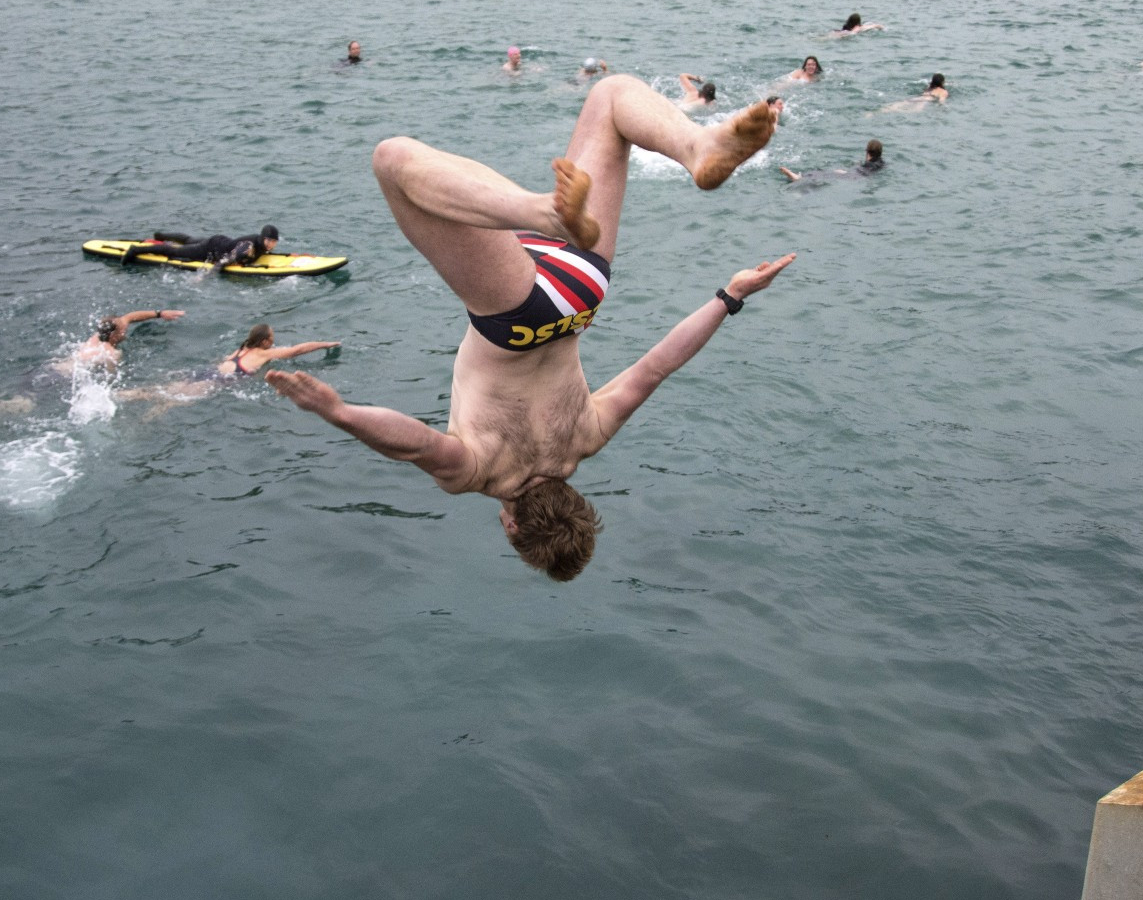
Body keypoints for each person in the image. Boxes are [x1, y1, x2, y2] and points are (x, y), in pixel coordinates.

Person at [265, 75, 791, 581]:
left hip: (581, 290)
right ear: (512, 525)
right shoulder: (478, 472)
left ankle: (695, 146)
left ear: (576, 503)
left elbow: (656, 368)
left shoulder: (587, 440)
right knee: (392, 160)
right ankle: (545, 211)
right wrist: (338, 412)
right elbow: (415, 445)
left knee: (611, 97)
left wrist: (731, 296)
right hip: (513, 312)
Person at [0, 309, 184, 413]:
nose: (126, 330)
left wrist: (159, 313)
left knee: (22, 397)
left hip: (46, 368)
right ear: (115, 335)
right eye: (123, 330)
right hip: (59, 379)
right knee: (24, 407)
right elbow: (111, 380)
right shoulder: (111, 353)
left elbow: (129, 317)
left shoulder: (94, 338)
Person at [118, 324, 340, 407]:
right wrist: (325, 344)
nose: (274, 340)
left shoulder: (240, 349)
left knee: (166, 389)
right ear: (264, 342)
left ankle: (123, 394)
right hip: (218, 381)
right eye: (271, 337)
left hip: (208, 372)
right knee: (172, 402)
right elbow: (298, 350)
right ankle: (142, 423)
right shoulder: (264, 354)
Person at [120, 226, 278, 267]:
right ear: (263, 238)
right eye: (269, 241)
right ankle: (135, 250)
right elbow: (221, 263)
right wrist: (203, 278)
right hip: (210, 249)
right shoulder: (248, 246)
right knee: (173, 251)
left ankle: (161, 236)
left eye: (274, 241)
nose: (272, 244)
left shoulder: (261, 245)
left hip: (218, 240)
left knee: (189, 239)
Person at [781, 139, 884, 182]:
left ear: (867, 151)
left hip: (852, 176)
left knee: (823, 173)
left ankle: (799, 177)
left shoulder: (867, 164)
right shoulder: (881, 164)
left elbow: (860, 170)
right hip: (858, 176)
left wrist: (845, 172)